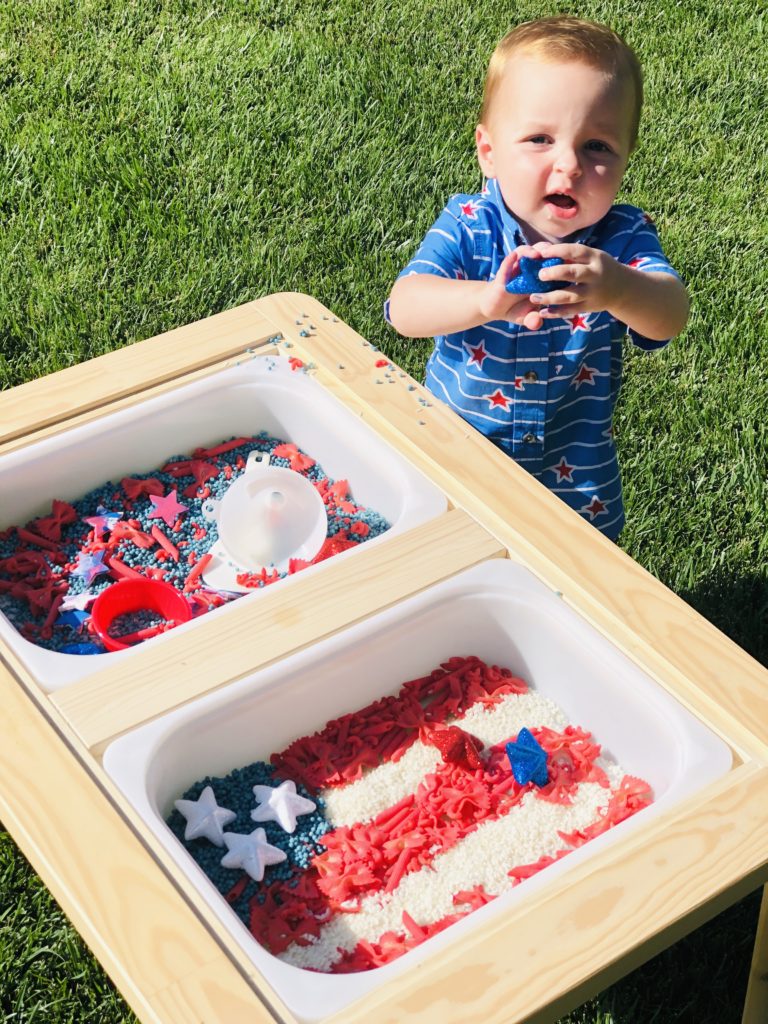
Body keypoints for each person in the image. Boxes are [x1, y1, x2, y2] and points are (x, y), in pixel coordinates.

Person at [386, 16, 689, 539]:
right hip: (459, 455)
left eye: (598, 147)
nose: (569, 164)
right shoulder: (470, 226)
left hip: (573, 474)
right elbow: (404, 308)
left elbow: (670, 316)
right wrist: (485, 301)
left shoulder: (620, 240)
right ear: (489, 151)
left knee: (576, 587)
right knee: (445, 567)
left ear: (624, 160)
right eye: (539, 139)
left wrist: (619, 287)